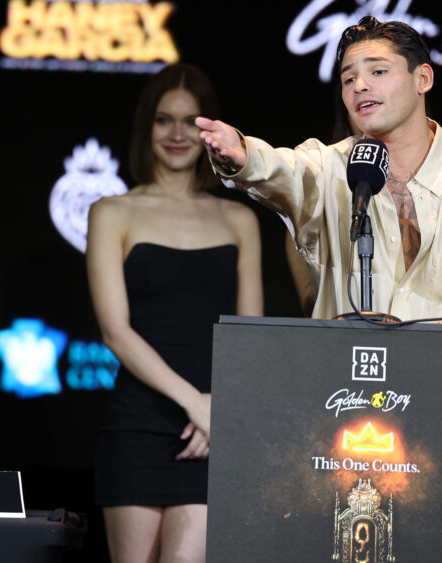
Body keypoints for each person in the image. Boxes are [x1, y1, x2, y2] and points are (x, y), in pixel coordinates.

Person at [196, 16, 442, 365]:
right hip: (347, 403)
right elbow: (283, 171)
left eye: (377, 72)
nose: (359, 85)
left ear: (422, 78)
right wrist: (244, 156)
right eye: (348, 79)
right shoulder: (329, 169)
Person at [87, 63, 263, 563]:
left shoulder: (239, 217)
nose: (178, 134)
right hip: (138, 423)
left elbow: (249, 336)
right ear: (147, 126)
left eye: (192, 121)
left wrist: (216, 410)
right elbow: (114, 331)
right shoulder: (112, 211)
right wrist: (194, 402)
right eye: (165, 120)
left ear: (211, 128)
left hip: (212, 429)